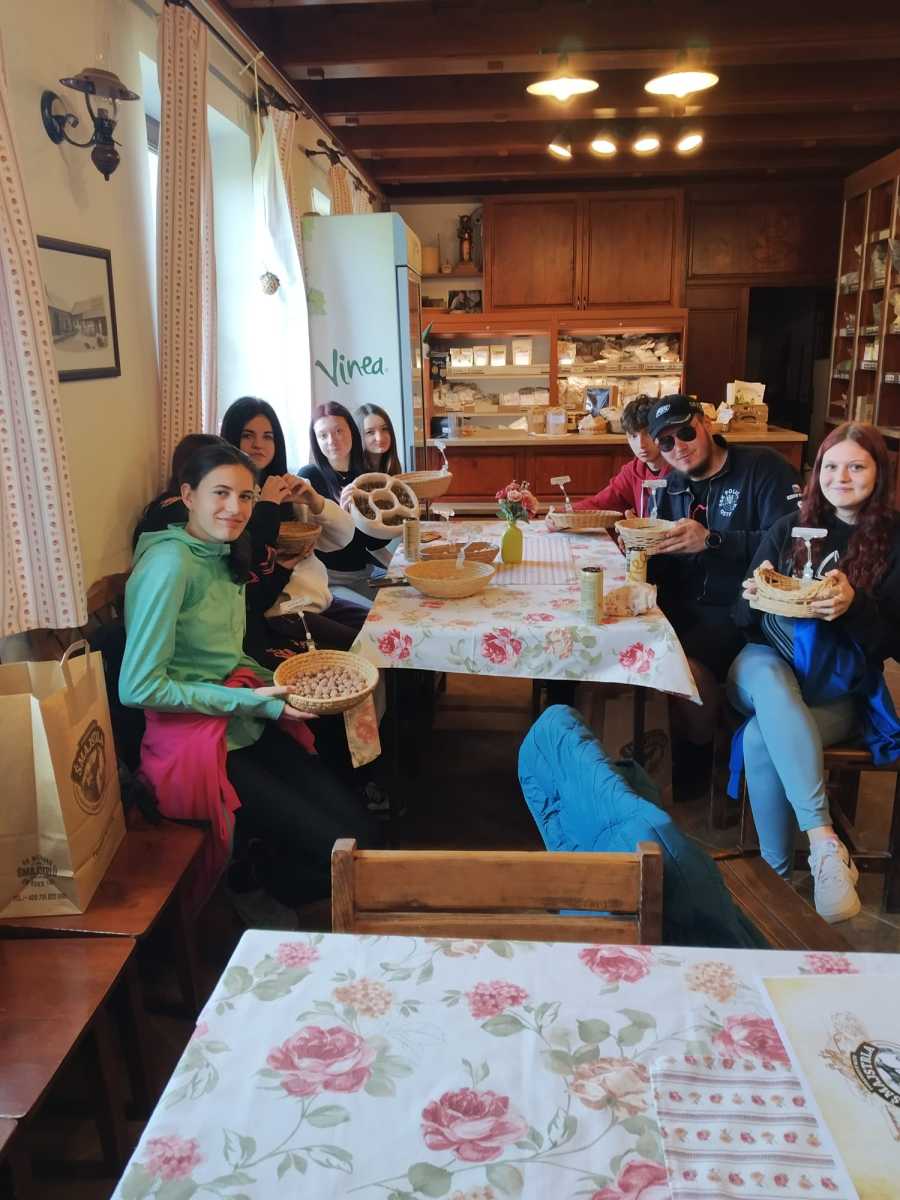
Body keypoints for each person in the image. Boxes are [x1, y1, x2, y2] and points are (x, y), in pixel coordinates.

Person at [119, 440, 379, 916]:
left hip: (241, 718)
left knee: (360, 835)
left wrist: (282, 685)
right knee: (341, 850)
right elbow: (138, 687)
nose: (235, 508)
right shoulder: (170, 564)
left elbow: (226, 654)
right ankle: (257, 884)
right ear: (188, 495)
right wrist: (258, 701)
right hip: (197, 739)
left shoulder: (222, 552)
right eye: (220, 493)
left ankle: (263, 871)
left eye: (246, 496)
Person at [733, 422, 900, 922]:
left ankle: (776, 877)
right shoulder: (788, 527)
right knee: (769, 681)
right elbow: (741, 620)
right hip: (763, 664)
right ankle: (825, 843)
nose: (840, 477)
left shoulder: (894, 541)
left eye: (856, 466)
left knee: (761, 737)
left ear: (880, 472)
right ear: (816, 473)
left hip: (838, 689)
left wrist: (853, 606)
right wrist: (756, 595)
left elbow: (892, 644)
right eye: (830, 466)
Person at [646, 394, 800, 786]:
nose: (678, 447)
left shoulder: (763, 468)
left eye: (686, 433)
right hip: (684, 605)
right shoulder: (669, 487)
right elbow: (665, 561)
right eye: (666, 441)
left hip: (747, 610)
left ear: (707, 424)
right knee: (637, 644)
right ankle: (674, 744)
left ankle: (700, 753)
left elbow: (792, 545)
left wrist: (714, 540)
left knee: (682, 662)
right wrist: (641, 548)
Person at [219, 396, 369, 657]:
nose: (258, 444)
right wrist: (266, 505)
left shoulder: (290, 485)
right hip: (281, 612)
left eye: (268, 437)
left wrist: (314, 500)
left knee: (386, 630)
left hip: (319, 600)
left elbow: (342, 537)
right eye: (247, 435)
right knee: (371, 646)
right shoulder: (228, 498)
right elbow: (245, 566)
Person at [299, 401, 393, 606]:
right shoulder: (309, 478)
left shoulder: (365, 476)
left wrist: (388, 518)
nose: (332, 440)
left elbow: (373, 543)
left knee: (407, 601)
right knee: (375, 616)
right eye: (323, 435)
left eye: (339, 431)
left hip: (364, 574)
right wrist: (340, 516)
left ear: (352, 430)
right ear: (316, 441)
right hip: (326, 581)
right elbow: (308, 542)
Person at [572, 395, 670, 516]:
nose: (641, 444)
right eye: (633, 436)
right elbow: (600, 503)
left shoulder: (682, 467)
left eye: (648, 433)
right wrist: (563, 513)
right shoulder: (633, 471)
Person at [356, 403, 402, 475]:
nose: (379, 438)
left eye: (384, 429)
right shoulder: (354, 474)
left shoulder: (392, 466)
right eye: (370, 432)